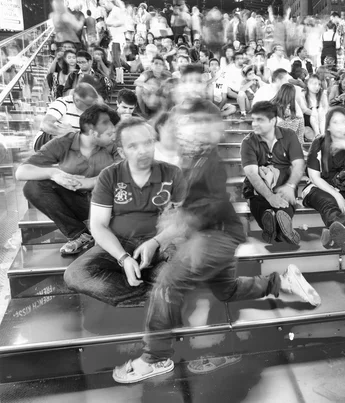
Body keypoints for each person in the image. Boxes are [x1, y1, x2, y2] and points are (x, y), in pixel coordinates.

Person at [111, 100, 320, 383]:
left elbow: (204, 207)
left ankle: (155, 357)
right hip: (218, 232)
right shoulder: (193, 159)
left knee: (167, 284)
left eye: (188, 124)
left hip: (216, 235)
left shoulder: (208, 161)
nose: (181, 130)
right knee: (226, 290)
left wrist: (170, 231)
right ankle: (281, 281)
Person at [63, 118, 187, 306]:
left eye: (148, 143)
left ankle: (141, 280)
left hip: (162, 243)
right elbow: (98, 225)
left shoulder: (172, 173)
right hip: (120, 243)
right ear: (121, 152)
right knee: (75, 274)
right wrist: (123, 258)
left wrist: (155, 242)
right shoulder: (110, 176)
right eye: (133, 146)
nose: (143, 151)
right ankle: (150, 290)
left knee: (190, 269)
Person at [16, 104, 120, 256]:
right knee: (33, 187)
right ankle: (80, 235)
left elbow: (124, 170)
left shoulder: (114, 145)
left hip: (106, 204)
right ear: (93, 131)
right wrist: (54, 173)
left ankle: (106, 231)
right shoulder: (63, 143)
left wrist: (90, 182)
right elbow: (21, 172)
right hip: (77, 203)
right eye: (109, 131)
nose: (114, 135)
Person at [303, 107, 345, 254]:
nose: (341, 126)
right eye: (336, 122)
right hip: (318, 187)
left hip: (344, 188)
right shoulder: (319, 142)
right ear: (328, 126)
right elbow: (314, 177)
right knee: (329, 201)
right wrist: (337, 195)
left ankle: (340, 236)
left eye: (344, 122)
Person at [241, 101, 305, 245]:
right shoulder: (248, 142)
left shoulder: (289, 136)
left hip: (282, 183)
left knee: (284, 200)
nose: (254, 124)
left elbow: (299, 164)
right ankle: (277, 229)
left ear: (273, 120)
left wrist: (290, 186)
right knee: (259, 200)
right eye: (253, 120)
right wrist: (270, 197)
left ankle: (277, 231)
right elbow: (252, 174)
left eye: (260, 120)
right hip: (259, 185)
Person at [34, 83, 99, 151]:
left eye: (94, 104)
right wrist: (64, 132)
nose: (92, 108)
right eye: (89, 105)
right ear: (77, 100)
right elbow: (45, 124)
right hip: (45, 141)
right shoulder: (63, 103)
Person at [301, 74, 328, 140]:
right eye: (314, 84)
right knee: (314, 110)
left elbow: (326, 107)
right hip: (308, 122)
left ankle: (322, 133)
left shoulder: (322, 94)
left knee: (321, 109)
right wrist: (314, 112)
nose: (317, 87)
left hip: (321, 120)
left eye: (319, 84)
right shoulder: (303, 94)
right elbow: (304, 109)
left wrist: (320, 113)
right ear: (307, 84)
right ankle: (317, 134)